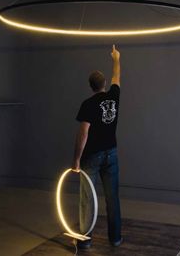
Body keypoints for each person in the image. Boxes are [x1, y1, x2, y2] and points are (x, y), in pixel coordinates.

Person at [72, 44, 123, 249]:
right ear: (103, 84)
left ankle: (85, 243)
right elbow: (117, 78)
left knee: (87, 199)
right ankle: (116, 238)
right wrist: (116, 59)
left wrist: (76, 159)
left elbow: (83, 133)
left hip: (92, 156)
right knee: (112, 198)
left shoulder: (88, 104)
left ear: (91, 86)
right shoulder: (114, 97)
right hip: (111, 154)